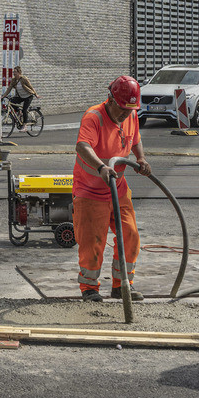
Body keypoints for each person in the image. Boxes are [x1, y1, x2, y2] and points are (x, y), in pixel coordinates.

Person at [72, 75, 151, 303]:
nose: (126, 114)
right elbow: (82, 146)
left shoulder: (131, 114)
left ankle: (122, 285)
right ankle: (89, 288)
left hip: (118, 188)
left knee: (130, 235)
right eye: (123, 108)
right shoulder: (94, 117)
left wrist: (141, 158)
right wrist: (101, 167)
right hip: (90, 191)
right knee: (93, 241)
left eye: (131, 110)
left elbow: (135, 139)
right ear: (111, 99)